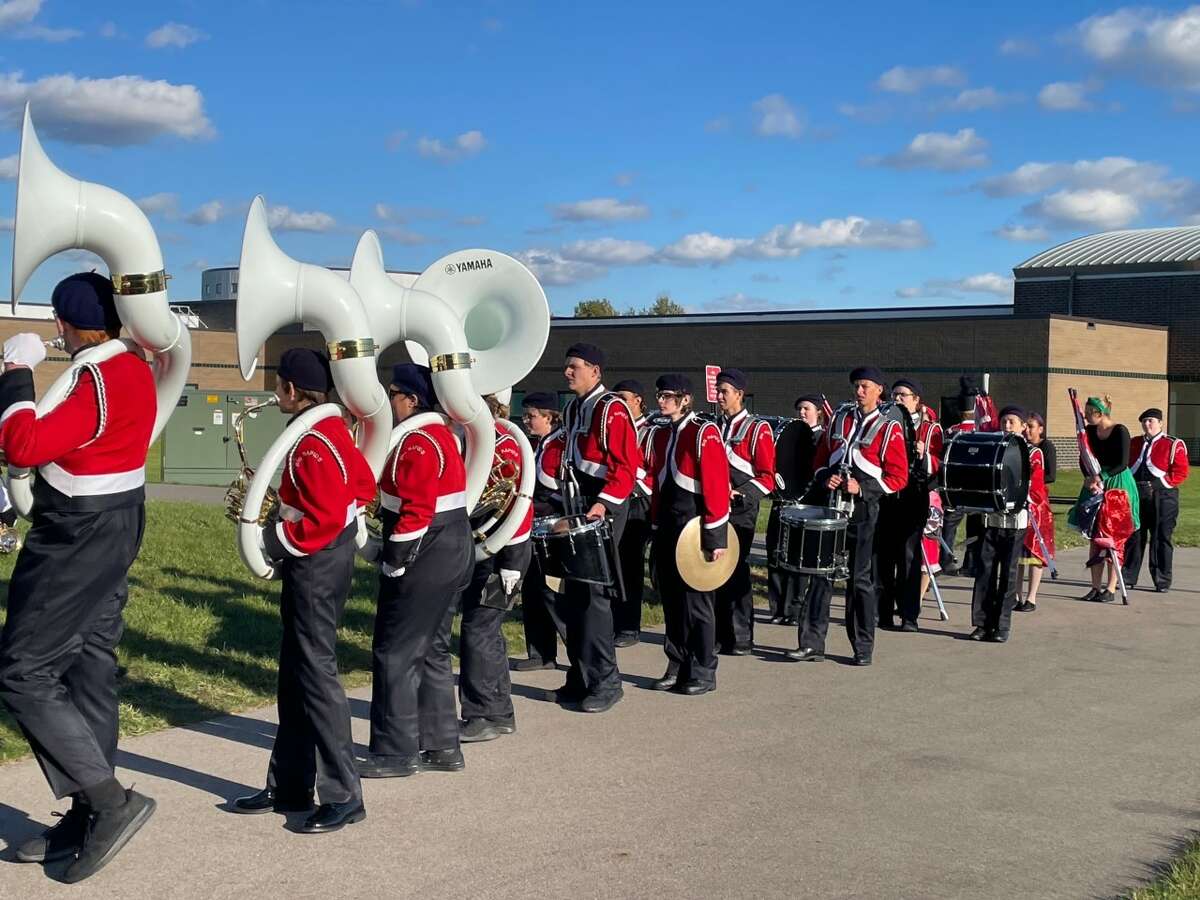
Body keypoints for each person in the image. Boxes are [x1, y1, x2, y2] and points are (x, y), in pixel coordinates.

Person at [0, 274, 158, 880]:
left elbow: (24, 443)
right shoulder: (135, 365)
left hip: (78, 531)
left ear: (68, 322)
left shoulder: (97, 374)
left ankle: (109, 804)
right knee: (89, 666)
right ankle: (88, 810)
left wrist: (16, 370)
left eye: (59, 323)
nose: (58, 333)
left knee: (23, 671)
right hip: (117, 521)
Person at [233, 348, 376, 833]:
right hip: (321, 562)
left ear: (292, 389)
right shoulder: (332, 431)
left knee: (315, 678)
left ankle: (343, 793)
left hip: (313, 564)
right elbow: (362, 486)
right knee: (295, 676)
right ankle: (290, 784)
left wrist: (273, 539)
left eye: (279, 386)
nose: (276, 394)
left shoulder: (313, 440)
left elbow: (327, 516)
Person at [358, 364, 473, 776]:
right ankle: (442, 745)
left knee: (395, 650)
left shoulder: (418, 441)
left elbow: (416, 511)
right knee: (434, 649)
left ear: (411, 398)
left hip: (427, 550)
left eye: (393, 393)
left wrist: (392, 558)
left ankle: (395, 752)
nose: (388, 401)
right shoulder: (440, 435)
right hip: (451, 545)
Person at [788, 367, 908, 666]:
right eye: (857, 385)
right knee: (821, 575)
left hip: (862, 511)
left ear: (879, 390)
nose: (859, 391)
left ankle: (862, 646)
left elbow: (898, 477)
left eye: (865, 386)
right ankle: (811, 643)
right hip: (831, 506)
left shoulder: (889, 426)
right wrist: (825, 475)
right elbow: (820, 459)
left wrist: (863, 487)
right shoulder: (840, 418)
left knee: (860, 580)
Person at [554, 343, 639, 713]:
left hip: (603, 506)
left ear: (595, 371)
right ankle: (581, 675)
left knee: (593, 595)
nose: (567, 372)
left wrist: (602, 504)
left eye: (574, 366)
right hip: (578, 503)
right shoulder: (574, 408)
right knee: (573, 594)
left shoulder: (612, 409)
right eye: (567, 366)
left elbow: (626, 467)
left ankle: (606, 681)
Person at [645, 374, 730, 695]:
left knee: (697, 603)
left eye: (668, 396)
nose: (661, 400)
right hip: (668, 527)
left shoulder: (703, 431)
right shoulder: (663, 434)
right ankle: (677, 663)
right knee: (672, 602)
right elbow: (657, 484)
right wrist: (655, 525)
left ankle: (704, 669)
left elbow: (716, 486)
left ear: (685, 399)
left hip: (694, 528)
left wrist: (715, 538)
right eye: (659, 394)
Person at [458, 394, 533, 743]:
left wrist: (513, 565)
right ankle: (499, 711)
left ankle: (482, 713)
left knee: (478, 631)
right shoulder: (478, 441)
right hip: (486, 548)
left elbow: (519, 502)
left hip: (503, 553)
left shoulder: (504, 445)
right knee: (485, 630)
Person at [713, 368, 776, 654]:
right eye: (718, 391)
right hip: (716, 508)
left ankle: (741, 636)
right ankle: (718, 633)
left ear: (739, 394)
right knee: (715, 570)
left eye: (725, 391)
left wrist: (741, 493)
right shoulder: (713, 427)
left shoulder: (756, 428)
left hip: (742, 509)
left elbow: (767, 477)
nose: (719, 396)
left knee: (736, 570)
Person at [969, 406, 1043, 642]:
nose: (1007, 426)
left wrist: (1017, 497)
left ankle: (1001, 626)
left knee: (1009, 574)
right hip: (991, 519)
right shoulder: (993, 449)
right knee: (985, 572)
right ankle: (981, 624)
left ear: (1023, 426)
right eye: (1004, 422)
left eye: (1012, 422)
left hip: (1015, 521)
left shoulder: (1033, 453)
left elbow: (1037, 490)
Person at [877, 377, 941, 632]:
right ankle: (883, 613)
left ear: (916, 400)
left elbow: (937, 463)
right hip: (886, 495)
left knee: (909, 556)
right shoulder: (883, 423)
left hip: (914, 495)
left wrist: (923, 454)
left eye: (903, 395)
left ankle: (909, 614)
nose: (897, 399)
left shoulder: (930, 428)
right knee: (883, 556)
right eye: (894, 395)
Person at [512, 391, 565, 671]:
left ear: (549, 417)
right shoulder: (535, 444)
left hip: (553, 528)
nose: (527, 421)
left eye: (532, 416)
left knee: (553, 593)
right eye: (526, 415)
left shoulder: (561, 444)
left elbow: (561, 489)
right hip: (532, 527)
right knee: (532, 590)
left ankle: (579, 653)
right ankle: (541, 653)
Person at [1069, 395, 1139, 603]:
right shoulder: (1089, 431)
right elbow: (1084, 457)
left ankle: (1111, 587)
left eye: (1090, 414)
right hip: (1095, 482)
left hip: (1116, 484)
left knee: (1113, 537)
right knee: (1094, 536)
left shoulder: (1120, 431)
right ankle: (1095, 586)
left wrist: (1102, 477)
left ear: (1100, 414)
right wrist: (1089, 478)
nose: (1087, 417)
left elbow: (1123, 462)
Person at [767, 395, 823, 625]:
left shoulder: (822, 438)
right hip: (782, 503)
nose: (801, 412)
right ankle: (778, 607)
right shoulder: (790, 435)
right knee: (775, 553)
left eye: (806, 408)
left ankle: (795, 607)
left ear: (818, 412)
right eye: (799, 408)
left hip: (806, 507)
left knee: (798, 558)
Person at [1123, 408, 1189, 593]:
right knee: (1134, 535)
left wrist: (1157, 485)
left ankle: (1162, 580)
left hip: (1163, 496)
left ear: (1160, 423)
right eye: (1144, 421)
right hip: (1137, 494)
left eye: (1151, 421)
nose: (1147, 424)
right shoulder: (1134, 443)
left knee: (1161, 538)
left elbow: (1181, 472)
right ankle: (1128, 575)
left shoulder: (1174, 444)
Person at [613, 379, 654, 647]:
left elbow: (655, 472)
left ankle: (629, 625)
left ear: (638, 400)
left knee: (630, 565)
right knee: (612, 563)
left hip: (639, 501)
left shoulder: (650, 431)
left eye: (624, 398)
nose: (619, 403)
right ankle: (612, 619)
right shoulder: (616, 426)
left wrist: (631, 478)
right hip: (616, 499)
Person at [941, 376, 982, 577]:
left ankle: (945, 560)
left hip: (956, 485)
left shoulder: (951, 430)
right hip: (976, 485)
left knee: (949, 524)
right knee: (975, 526)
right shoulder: (981, 431)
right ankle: (971, 563)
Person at [1016, 412, 1056, 612]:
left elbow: (1050, 475)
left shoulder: (1043, 449)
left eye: (1031, 426)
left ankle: (1031, 597)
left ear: (1040, 428)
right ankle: (1016, 595)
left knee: (1034, 551)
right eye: (1026, 426)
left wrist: (1029, 484)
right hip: (1018, 502)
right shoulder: (1019, 447)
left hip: (1036, 504)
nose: (1028, 430)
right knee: (1018, 554)